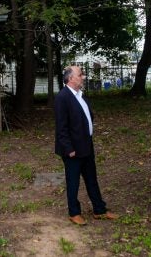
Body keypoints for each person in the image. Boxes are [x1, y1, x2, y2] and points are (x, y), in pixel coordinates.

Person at [55, 65, 119, 225]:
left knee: (92, 179)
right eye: (80, 74)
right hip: (73, 150)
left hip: (86, 146)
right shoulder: (63, 97)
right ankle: (74, 212)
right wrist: (69, 149)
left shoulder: (80, 96)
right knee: (73, 181)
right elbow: (61, 127)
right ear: (70, 78)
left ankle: (100, 210)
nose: (83, 77)